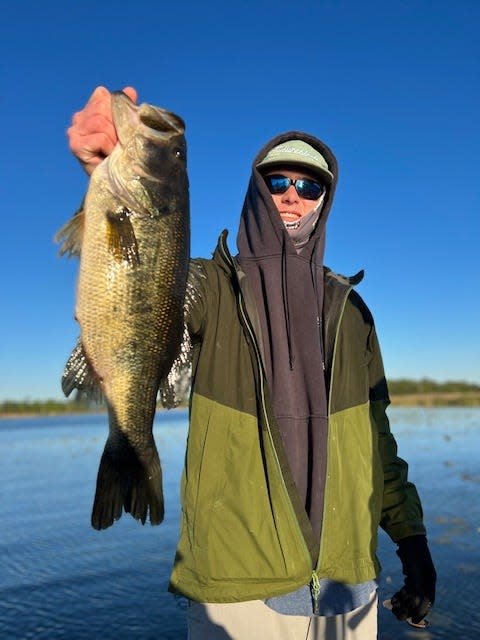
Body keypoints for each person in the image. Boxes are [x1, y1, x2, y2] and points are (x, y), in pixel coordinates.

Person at [67, 86, 437, 640]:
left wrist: (412, 541)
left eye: (310, 185)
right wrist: (101, 168)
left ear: (325, 199)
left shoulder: (352, 312)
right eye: (277, 181)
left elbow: (378, 442)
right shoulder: (210, 288)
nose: (292, 194)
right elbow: (135, 274)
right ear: (256, 190)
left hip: (351, 590)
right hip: (239, 595)